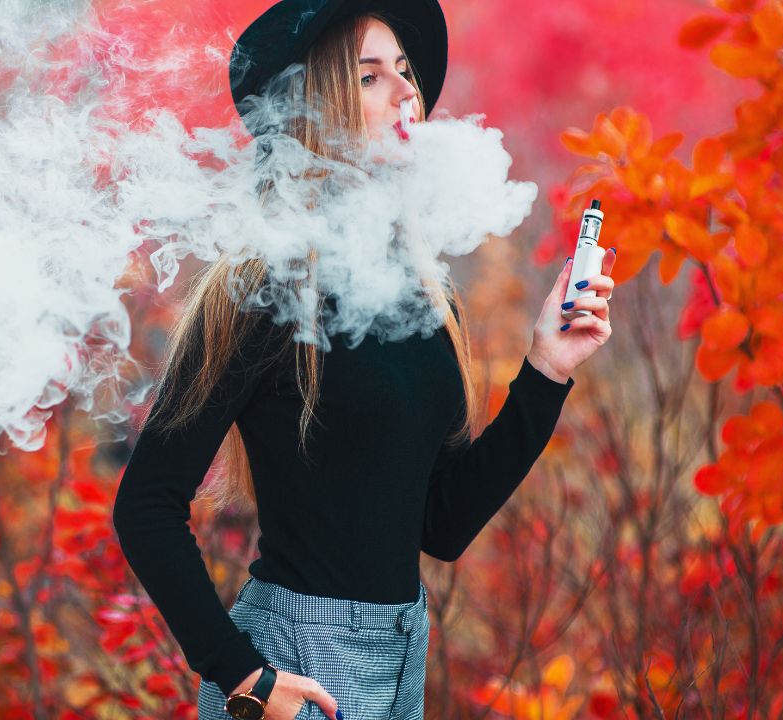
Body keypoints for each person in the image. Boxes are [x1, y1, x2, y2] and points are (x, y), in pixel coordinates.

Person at [111, 2, 616, 719]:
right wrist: (244, 677)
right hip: (293, 665)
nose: (406, 91)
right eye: (371, 75)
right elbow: (146, 505)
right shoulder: (259, 285)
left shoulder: (424, 291)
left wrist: (546, 370)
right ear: (315, 106)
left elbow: (441, 524)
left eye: (405, 71)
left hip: (403, 655)